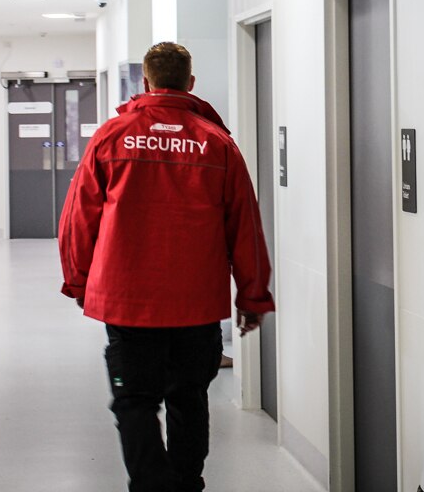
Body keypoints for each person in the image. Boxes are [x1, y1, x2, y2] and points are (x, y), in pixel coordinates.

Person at [59, 42, 274, 492]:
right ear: (190, 83)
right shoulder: (218, 143)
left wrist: (79, 279)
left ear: (146, 82)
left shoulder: (112, 136)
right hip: (196, 305)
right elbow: (245, 226)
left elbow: (79, 216)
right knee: (189, 399)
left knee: (133, 402)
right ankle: (186, 484)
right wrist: (252, 295)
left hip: (127, 302)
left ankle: (151, 486)